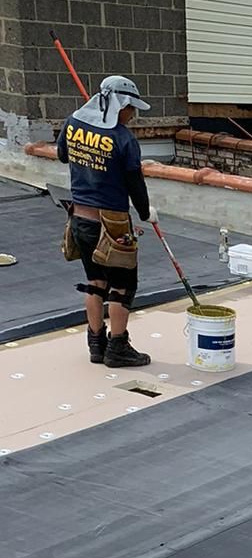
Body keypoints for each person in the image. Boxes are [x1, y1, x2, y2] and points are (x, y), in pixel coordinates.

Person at [57, 74, 157, 368]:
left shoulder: (73, 124)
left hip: (80, 219)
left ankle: (96, 345)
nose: (133, 114)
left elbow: (63, 155)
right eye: (131, 108)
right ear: (119, 104)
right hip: (113, 224)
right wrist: (145, 212)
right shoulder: (123, 138)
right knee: (122, 286)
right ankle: (118, 348)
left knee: (95, 282)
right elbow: (135, 182)